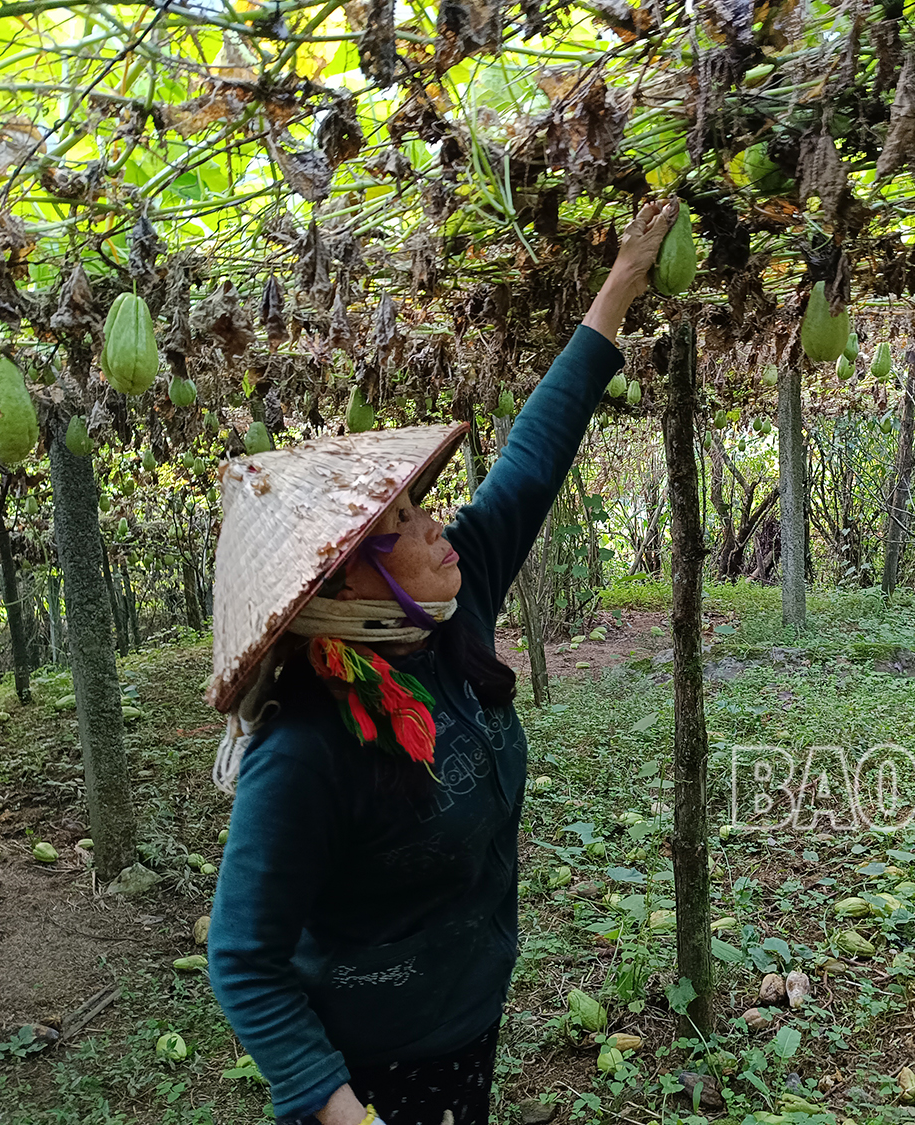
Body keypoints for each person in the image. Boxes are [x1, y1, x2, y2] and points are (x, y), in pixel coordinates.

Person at [205, 199, 679, 1125]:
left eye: (421, 505)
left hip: (463, 1025)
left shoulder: (450, 619)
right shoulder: (307, 744)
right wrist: (340, 1110)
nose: (436, 523)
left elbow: (535, 458)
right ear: (352, 587)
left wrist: (619, 286)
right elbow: (243, 955)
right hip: (369, 1068)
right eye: (402, 525)